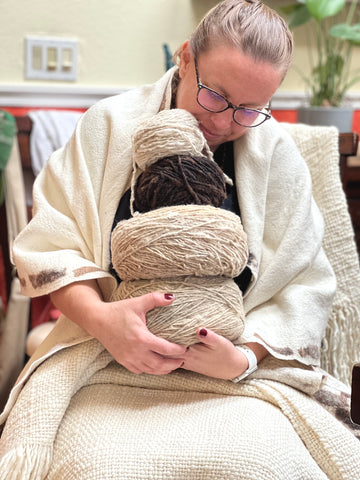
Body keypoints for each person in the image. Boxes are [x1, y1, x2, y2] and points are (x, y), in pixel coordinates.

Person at [1, 1, 359, 478]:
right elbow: (49, 245)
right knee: (97, 467)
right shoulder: (107, 127)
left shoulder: (277, 155)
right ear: (185, 57)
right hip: (106, 358)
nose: (225, 122)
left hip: (235, 379)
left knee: (265, 466)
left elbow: (305, 285)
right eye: (215, 96)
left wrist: (244, 358)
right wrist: (105, 321)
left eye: (250, 109)